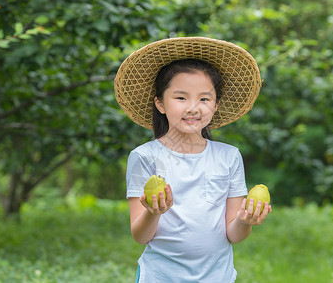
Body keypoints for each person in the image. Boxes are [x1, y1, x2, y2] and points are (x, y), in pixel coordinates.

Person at [114, 37, 272, 283]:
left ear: (216, 105)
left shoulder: (228, 156)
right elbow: (141, 236)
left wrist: (244, 219)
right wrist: (154, 213)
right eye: (181, 98)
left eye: (204, 99)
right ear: (160, 103)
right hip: (160, 276)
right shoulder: (144, 157)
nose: (193, 107)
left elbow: (234, 235)